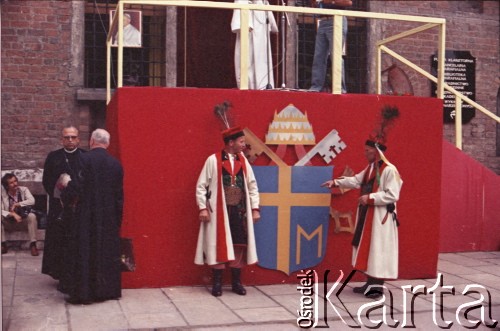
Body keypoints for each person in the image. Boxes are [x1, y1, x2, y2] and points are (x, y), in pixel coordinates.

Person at [321, 109, 402, 299]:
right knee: (368, 249)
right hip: (368, 216)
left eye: (368, 151)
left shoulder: (390, 170)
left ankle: (377, 286)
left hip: (380, 218)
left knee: (378, 250)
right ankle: (369, 283)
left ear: (377, 151)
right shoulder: (371, 168)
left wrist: (370, 198)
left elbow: (393, 194)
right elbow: (356, 181)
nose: (365, 154)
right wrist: (336, 182)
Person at [195, 126, 261, 297]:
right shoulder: (213, 160)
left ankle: (236, 283)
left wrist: (254, 209)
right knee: (218, 243)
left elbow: (252, 186)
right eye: (241, 142)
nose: (244, 145)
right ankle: (216, 283)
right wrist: (202, 207)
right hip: (219, 212)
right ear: (230, 142)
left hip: (240, 211)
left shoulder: (244, 162)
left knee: (239, 244)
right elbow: (201, 186)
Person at [60, 129, 124, 304]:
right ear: (107, 143)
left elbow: (76, 187)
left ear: (91, 141)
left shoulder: (83, 158)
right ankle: (106, 291)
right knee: (104, 253)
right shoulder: (116, 164)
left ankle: (84, 293)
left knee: (85, 252)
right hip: (108, 216)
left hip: (86, 214)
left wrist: (65, 192)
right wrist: (117, 219)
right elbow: (119, 196)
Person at [42, 126, 85, 282]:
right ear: (62, 139)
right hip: (58, 206)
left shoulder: (85, 156)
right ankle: (59, 273)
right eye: (67, 137)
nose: (70, 140)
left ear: (78, 139)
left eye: (73, 137)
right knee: (59, 241)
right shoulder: (53, 157)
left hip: (78, 207)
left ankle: (76, 274)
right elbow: (46, 180)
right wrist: (59, 193)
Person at [231, 0, 279, 90]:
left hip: (262, 35)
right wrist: (244, 25)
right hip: (249, 32)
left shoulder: (264, 2)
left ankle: (265, 87)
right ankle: (249, 87)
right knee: (249, 60)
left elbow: (272, 25)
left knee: (263, 61)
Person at [309, 0, 352, 93]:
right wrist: (314, 3)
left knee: (336, 56)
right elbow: (315, 6)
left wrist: (331, 1)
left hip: (336, 20)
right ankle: (316, 86)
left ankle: (339, 88)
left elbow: (348, 2)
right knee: (319, 56)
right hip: (323, 21)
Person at [1, 173, 39, 256]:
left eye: (15, 181)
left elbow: (32, 201)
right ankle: (3, 244)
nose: (15, 184)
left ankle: (33, 244)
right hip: (9, 223)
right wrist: (13, 214)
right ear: (7, 186)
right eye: (11, 183)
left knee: (32, 216)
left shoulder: (24, 190)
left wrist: (18, 204)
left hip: (22, 222)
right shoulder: (2, 194)